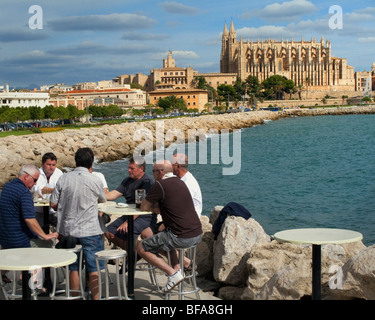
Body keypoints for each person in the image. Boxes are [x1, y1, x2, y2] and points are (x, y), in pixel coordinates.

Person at [136, 160, 202, 293]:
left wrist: (151, 207)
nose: (153, 174)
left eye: (153, 171)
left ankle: (172, 274)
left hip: (180, 236)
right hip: (196, 233)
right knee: (164, 241)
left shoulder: (160, 184)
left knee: (141, 247)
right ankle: (178, 270)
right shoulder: (180, 182)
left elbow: (144, 207)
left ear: (160, 172)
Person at [50, 147, 107, 300]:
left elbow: (53, 203)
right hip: (90, 229)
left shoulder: (63, 178)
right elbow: (102, 199)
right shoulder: (95, 179)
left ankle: (75, 297)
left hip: (68, 230)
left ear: (75, 161)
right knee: (93, 268)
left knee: (73, 267)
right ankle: (96, 298)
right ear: (92, 162)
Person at [0, 164, 58, 250]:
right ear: (26, 176)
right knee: (52, 244)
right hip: (20, 241)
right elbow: (29, 219)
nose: (35, 183)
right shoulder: (24, 192)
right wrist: (45, 236)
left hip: (4, 239)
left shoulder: (6, 187)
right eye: (35, 180)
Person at [104, 157, 155, 250]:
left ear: (141, 169)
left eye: (132, 169)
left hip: (144, 216)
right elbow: (112, 195)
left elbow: (142, 207)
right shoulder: (127, 181)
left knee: (127, 232)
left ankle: (136, 254)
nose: (129, 170)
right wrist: (97, 195)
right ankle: (136, 253)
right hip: (129, 214)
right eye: (129, 168)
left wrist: (127, 222)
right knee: (108, 231)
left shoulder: (147, 182)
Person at [32, 152, 63, 228]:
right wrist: (56, 190)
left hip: (54, 211)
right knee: (39, 229)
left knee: (65, 227)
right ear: (42, 164)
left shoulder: (59, 174)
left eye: (53, 165)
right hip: (39, 211)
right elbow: (37, 189)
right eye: (48, 164)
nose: (51, 167)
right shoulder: (37, 173)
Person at [171, 153, 202, 217]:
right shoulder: (179, 179)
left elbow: (181, 205)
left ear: (178, 166)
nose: (170, 166)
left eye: (172, 163)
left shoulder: (188, 182)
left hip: (189, 220)